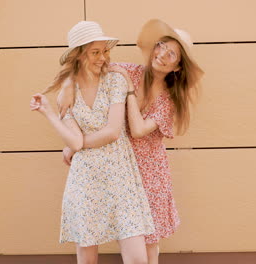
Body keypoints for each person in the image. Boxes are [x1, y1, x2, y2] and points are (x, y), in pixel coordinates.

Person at [58, 19, 204, 264]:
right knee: (104, 234)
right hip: (118, 167)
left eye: (172, 54)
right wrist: (66, 86)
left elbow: (137, 130)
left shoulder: (168, 101)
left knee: (148, 246)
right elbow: (88, 67)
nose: (162, 55)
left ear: (178, 66)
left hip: (149, 174)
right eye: (161, 46)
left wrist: (128, 90)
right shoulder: (129, 71)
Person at [30, 21, 154, 264]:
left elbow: (112, 132)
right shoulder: (68, 92)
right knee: (87, 258)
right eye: (95, 52)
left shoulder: (113, 81)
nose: (103, 58)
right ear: (79, 56)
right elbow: (74, 142)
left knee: (137, 257)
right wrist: (49, 114)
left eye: (105, 50)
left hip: (120, 176)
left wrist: (74, 144)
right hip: (86, 178)